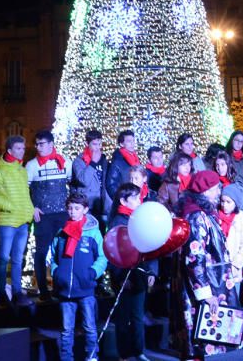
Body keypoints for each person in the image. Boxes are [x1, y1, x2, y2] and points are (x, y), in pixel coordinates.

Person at [171, 170, 238, 358]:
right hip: (207, 283)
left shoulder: (203, 213)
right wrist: (205, 293)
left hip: (214, 279)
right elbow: (195, 257)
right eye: (216, 187)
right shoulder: (196, 217)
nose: (219, 191)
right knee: (203, 334)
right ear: (206, 190)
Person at [49, 191, 107, 361]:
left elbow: (103, 256)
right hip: (65, 290)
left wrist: (93, 273)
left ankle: (92, 357)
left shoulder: (93, 234)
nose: (72, 211)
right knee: (67, 330)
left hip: (86, 290)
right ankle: (67, 358)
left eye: (77, 208)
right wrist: (56, 272)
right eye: (70, 208)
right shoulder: (61, 233)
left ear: (85, 209)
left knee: (89, 326)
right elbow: (52, 256)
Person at [0, 134, 35, 306]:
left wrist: (29, 212)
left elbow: (25, 195)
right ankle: (1, 293)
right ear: (9, 150)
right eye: (18, 149)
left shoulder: (22, 171)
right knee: (4, 258)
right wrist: (10, 206)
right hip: (7, 221)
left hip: (23, 221)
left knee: (17, 259)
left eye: (23, 148)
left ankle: (16, 292)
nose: (22, 152)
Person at [107, 182, 154, 361]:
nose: (138, 200)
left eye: (138, 196)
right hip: (123, 277)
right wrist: (119, 278)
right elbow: (114, 251)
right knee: (124, 318)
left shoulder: (138, 218)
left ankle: (139, 351)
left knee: (138, 316)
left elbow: (146, 246)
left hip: (139, 273)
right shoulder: (118, 222)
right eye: (134, 198)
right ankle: (124, 354)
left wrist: (149, 272)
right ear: (123, 200)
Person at [26, 129, 70, 301]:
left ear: (51, 144)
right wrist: (33, 208)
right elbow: (25, 190)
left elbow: (73, 186)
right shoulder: (31, 165)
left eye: (41, 144)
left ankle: (61, 287)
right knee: (41, 252)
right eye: (36, 144)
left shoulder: (65, 162)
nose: (38, 147)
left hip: (62, 215)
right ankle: (43, 291)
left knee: (63, 251)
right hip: (43, 216)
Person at [71, 129, 111, 228]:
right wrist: (92, 163)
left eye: (99, 144)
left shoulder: (104, 160)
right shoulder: (79, 161)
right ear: (87, 143)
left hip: (102, 204)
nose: (97, 148)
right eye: (94, 144)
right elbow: (84, 180)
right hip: (88, 205)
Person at [218, 183, 243, 297]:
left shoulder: (242, 222)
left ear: (235, 203)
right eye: (223, 201)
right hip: (218, 268)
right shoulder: (216, 218)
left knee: (232, 300)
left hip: (233, 270)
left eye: (228, 202)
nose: (224, 205)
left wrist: (235, 264)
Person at [105, 129, 140, 201]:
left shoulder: (136, 160)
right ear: (121, 144)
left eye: (133, 141)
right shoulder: (117, 162)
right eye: (129, 141)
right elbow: (111, 185)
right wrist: (122, 199)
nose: (132, 144)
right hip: (126, 201)